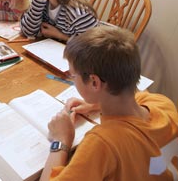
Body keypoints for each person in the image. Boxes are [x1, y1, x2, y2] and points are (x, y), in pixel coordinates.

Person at [39, 26, 178, 180]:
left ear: (94, 82)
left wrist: (61, 140)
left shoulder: (102, 144)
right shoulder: (163, 103)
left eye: (72, 75)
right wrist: (95, 104)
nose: (72, 79)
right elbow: (135, 96)